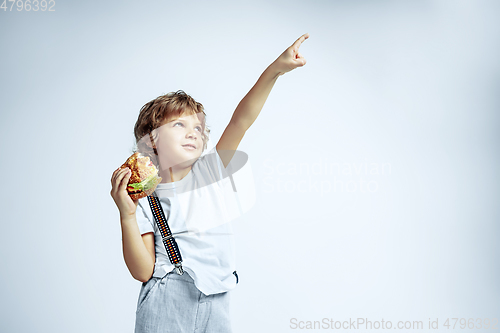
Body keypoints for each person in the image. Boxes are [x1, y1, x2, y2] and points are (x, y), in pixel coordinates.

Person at [110, 32, 309, 333]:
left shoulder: (211, 172)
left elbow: (241, 119)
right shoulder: (145, 198)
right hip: (168, 299)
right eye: (179, 125)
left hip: (217, 297)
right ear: (151, 140)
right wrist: (126, 215)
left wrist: (275, 71)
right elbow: (142, 271)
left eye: (198, 128)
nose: (193, 132)